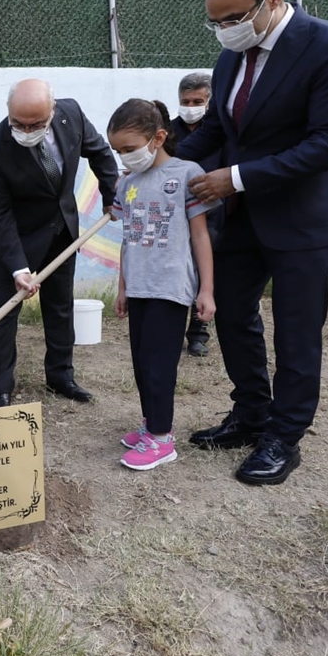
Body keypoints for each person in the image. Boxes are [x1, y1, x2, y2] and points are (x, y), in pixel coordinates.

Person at [178, 0, 328, 486]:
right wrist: (161, 169)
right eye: (215, 22)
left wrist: (235, 178)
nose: (224, 31)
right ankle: (251, 413)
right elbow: (218, 129)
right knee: (233, 313)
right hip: (243, 219)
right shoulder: (230, 58)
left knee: (297, 330)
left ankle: (284, 437)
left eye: (234, 19)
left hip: (303, 220)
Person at [0, 78, 119, 409]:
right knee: (4, 312)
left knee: (59, 306)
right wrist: (18, 268)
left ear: (52, 112)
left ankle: (61, 376)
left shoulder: (72, 115)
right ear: (9, 114)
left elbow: (99, 153)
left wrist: (112, 196)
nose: (26, 130)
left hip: (62, 232)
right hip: (15, 240)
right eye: (18, 124)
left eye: (36, 124)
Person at [108, 99, 217, 470]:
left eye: (129, 149)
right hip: (138, 286)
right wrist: (122, 287)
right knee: (141, 363)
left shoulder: (187, 174)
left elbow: (201, 237)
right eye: (117, 151)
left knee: (160, 365)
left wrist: (206, 290)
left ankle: (162, 439)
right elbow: (127, 239)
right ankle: (149, 424)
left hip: (170, 287)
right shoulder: (127, 183)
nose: (124, 157)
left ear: (157, 138)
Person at [171, 71, 216, 358]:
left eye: (197, 101)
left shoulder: (218, 131)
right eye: (185, 101)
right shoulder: (168, 131)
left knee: (205, 273)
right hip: (175, 215)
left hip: (212, 213)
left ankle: (198, 332)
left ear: (209, 101)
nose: (191, 106)